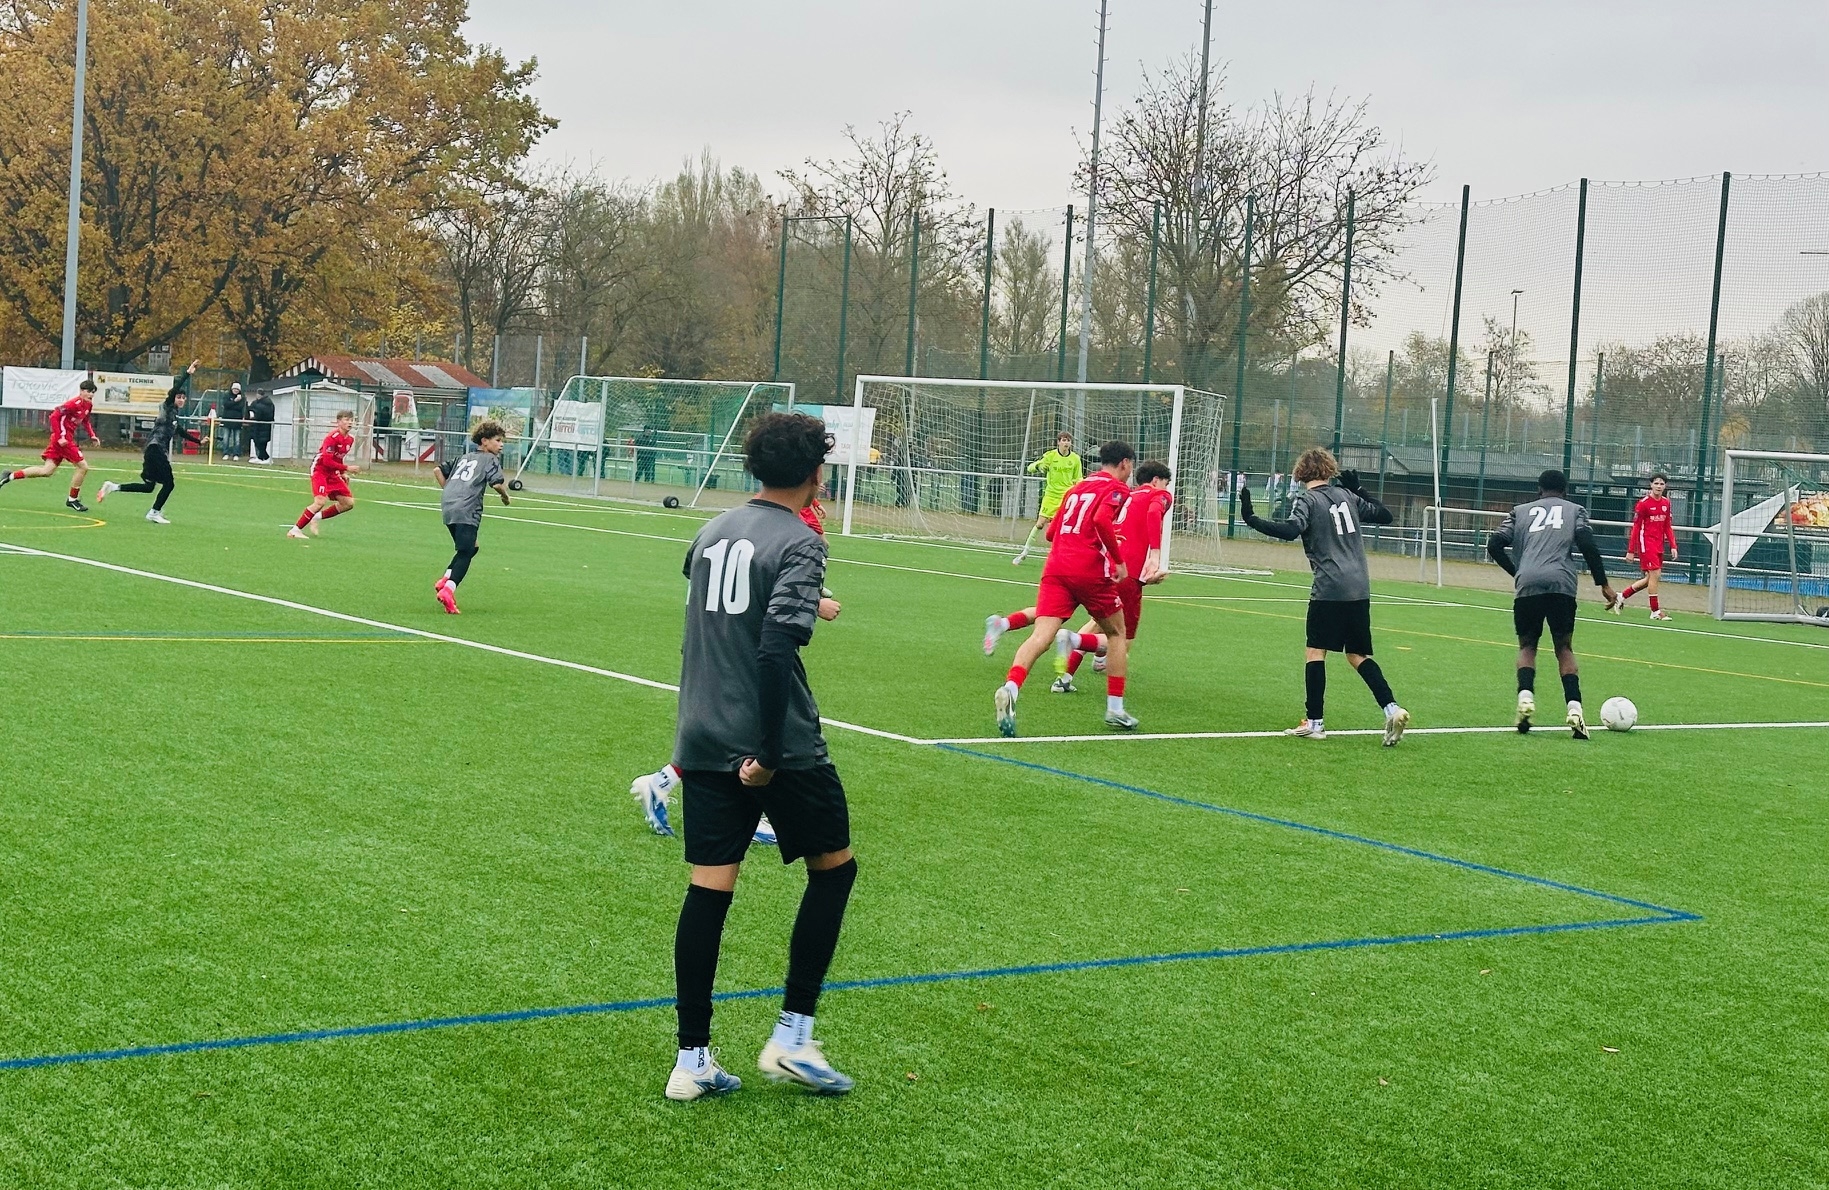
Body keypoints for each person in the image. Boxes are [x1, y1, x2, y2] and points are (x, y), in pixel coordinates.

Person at [664, 411, 858, 1102]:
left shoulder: (711, 529)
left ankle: (692, 1058)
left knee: (709, 888)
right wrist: (770, 753)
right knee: (834, 870)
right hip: (777, 741)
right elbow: (776, 649)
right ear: (815, 474)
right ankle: (792, 1036)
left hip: (702, 731)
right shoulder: (800, 541)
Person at [1240, 447, 1411, 746]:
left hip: (1330, 587)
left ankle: (1315, 723)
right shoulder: (1347, 496)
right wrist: (1359, 489)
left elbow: (1290, 530)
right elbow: (1385, 515)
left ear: (1300, 472)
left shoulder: (1308, 500)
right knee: (1357, 655)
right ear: (1329, 469)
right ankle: (1391, 708)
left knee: (1315, 651)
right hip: (1359, 587)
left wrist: (1252, 518)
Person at [992, 441, 1139, 737]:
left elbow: (1050, 533)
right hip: (1087, 570)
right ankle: (1115, 709)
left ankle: (1011, 687)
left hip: (1056, 567)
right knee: (1117, 634)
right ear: (1125, 463)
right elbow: (1100, 519)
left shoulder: (1076, 488)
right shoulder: (1117, 488)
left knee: (1040, 636)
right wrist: (1118, 559)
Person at [1487, 469, 1620, 739]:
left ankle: (1525, 698)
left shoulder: (1519, 512)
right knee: (1564, 648)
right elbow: (1587, 544)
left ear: (1539, 489)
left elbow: (1494, 544)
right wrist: (1603, 584)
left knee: (1527, 646)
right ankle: (1575, 710)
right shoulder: (1575, 511)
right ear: (1565, 491)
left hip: (1528, 584)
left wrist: (1518, 572)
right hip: (1562, 584)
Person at [1050, 460, 1174, 692]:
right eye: (1165, 483)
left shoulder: (1128, 496)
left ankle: (1063, 679)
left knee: (1097, 624)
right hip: (1128, 573)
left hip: (1107, 567)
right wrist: (1155, 555)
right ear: (1156, 481)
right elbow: (1154, 512)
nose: (1166, 489)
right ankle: (1074, 641)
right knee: (1122, 640)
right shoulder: (1159, 495)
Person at [98, 361, 201, 523]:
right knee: (169, 484)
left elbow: (180, 431)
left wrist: (199, 441)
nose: (181, 400)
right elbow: (174, 390)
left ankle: (113, 487)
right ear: (173, 398)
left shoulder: (173, 416)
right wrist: (187, 374)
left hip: (152, 451)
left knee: (148, 487)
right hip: (156, 449)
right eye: (178, 397)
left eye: (183, 398)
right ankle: (154, 512)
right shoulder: (167, 407)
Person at [431, 420, 511, 614]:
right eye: (498, 440)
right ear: (484, 441)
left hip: (448, 506)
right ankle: (448, 589)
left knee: (470, 547)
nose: (501, 445)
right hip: (467, 509)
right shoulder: (490, 459)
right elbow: (496, 483)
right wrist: (505, 496)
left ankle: (446, 578)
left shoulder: (464, 457)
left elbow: (438, 470)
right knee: (466, 551)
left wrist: (450, 491)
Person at [1, 379, 102, 510]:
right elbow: (54, 416)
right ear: (81, 391)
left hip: (62, 441)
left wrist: (92, 435)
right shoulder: (73, 404)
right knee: (83, 467)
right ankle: (72, 499)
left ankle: (10, 476)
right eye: (89, 391)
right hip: (63, 441)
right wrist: (60, 437)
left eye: (93, 392)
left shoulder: (88, 405)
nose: (91, 395)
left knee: (47, 471)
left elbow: (86, 421)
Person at [1012, 431, 1082, 565]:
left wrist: (1079, 489)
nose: (1066, 443)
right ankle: (1024, 552)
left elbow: (1078, 478)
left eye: (1068, 440)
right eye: (1063, 440)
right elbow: (1030, 468)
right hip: (1051, 496)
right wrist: (1039, 466)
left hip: (1066, 497)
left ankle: (1060, 556)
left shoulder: (1075, 459)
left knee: (1061, 528)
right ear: (1058, 442)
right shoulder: (1050, 456)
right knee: (1040, 524)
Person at [287, 411, 358, 539]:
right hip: (320, 469)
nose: (350, 422)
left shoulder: (350, 439)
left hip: (332, 472)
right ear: (339, 422)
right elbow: (327, 461)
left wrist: (342, 473)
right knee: (320, 501)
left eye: (351, 420)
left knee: (348, 503)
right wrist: (347, 468)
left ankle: (316, 517)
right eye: (346, 419)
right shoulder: (331, 438)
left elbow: (339, 458)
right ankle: (294, 530)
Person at [1617, 472, 1676, 621]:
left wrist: (1673, 545)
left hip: (1658, 544)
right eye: (1656, 483)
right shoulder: (1643, 504)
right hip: (1646, 544)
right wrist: (1631, 550)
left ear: (1665, 486)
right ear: (1651, 485)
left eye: (1661, 484)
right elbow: (1636, 528)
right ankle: (1655, 611)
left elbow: (1667, 526)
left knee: (1651, 578)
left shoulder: (1666, 503)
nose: (1659, 486)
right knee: (1655, 575)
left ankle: (1621, 596)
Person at [219, 382, 247, 462]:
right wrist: (235, 401)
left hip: (237, 421)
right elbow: (226, 405)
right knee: (226, 438)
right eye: (234, 389)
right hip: (227, 420)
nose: (236, 390)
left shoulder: (242, 398)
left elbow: (240, 407)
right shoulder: (227, 396)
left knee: (237, 439)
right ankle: (225, 453)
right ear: (232, 389)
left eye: (237, 389)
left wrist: (232, 404)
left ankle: (236, 454)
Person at [246, 389, 275, 464]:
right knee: (257, 442)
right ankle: (260, 457)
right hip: (257, 426)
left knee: (261, 443)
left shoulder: (267, 404)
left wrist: (255, 414)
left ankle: (266, 458)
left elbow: (264, 414)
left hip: (264, 426)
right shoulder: (256, 403)